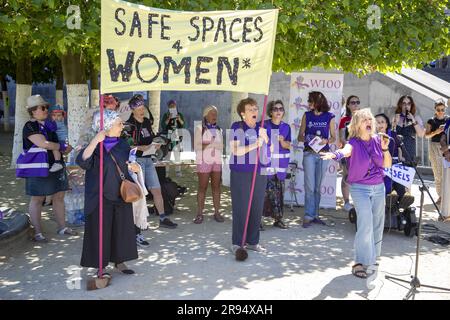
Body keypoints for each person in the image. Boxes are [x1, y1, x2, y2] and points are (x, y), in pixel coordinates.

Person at [321, 108, 392, 278]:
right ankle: (359, 261)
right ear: (357, 125)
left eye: (370, 119)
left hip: (378, 187)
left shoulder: (378, 140)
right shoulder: (353, 142)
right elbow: (345, 151)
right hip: (360, 188)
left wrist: (385, 149)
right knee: (365, 223)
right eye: (363, 119)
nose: (368, 121)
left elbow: (387, 165)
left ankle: (373, 258)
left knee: (377, 224)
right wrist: (335, 154)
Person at [76, 109, 139, 278]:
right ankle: (100, 266)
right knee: (100, 232)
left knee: (121, 229)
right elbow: (82, 161)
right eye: (119, 124)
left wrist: (134, 167)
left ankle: (120, 261)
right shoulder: (95, 146)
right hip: (99, 196)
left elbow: (130, 164)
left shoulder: (123, 144)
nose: (122, 127)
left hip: (120, 194)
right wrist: (96, 141)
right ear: (107, 126)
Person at [22, 95, 76, 242]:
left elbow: (55, 143)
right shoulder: (29, 126)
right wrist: (61, 147)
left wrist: (65, 148)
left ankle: (62, 227)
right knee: (37, 199)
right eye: (42, 107)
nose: (46, 110)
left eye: (46, 107)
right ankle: (38, 232)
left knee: (59, 196)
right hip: (37, 169)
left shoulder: (49, 125)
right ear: (33, 111)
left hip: (56, 166)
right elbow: (44, 143)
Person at [125, 94, 178, 242]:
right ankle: (137, 225)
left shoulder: (147, 121)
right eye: (139, 108)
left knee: (156, 189)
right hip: (137, 160)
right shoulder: (129, 125)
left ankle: (162, 217)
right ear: (133, 110)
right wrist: (145, 147)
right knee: (139, 193)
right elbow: (128, 145)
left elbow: (151, 137)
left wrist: (157, 142)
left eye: (143, 108)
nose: (142, 111)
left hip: (148, 159)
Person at [229, 98, 270, 254]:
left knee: (256, 207)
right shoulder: (237, 127)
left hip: (259, 172)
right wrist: (255, 144)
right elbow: (236, 151)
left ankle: (253, 241)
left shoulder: (263, 128)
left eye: (256, 108)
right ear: (242, 113)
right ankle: (237, 242)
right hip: (241, 173)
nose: (255, 111)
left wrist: (265, 139)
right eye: (250, 109)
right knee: (241, 207)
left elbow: (269, 151)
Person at [298, 91, 336, 228]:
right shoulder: (307, 115)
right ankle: (308, 215)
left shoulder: (330, 117)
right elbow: (299, 136)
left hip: (323, 154)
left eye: (310, 101)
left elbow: (334, 138)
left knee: (317, 187)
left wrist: (326, 140)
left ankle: (315, 215)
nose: (309, 104)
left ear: (318, 102)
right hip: (309, 153)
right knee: (309, 185)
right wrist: (307, 138)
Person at [262, 100, 291, 229]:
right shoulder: (264, 125)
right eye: (275, 109)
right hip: (266, 165)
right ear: (270, 112)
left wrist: (282, 141)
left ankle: (278, 219)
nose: (278, 111)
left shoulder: (286, 127)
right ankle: (258, 220)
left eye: (280, 109)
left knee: (279, 193)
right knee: (263, 193)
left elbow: (289, 145)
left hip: (280, 167)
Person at [193, 105, 224, 224]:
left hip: (216, 161)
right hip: (203, 161)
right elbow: (196, 146)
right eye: (212, 113)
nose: (214, 116)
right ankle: (199, 213)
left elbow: (221, 146)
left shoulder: (219, 129)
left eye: (215, 113)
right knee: (202, 187)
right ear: (206, 115)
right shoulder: (200, 128)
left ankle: (217, 212)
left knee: (217, 187)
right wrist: (210, 145)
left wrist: (212, 145)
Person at [338, 95, 360, 212]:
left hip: (361, 153)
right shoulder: (344, 120)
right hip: (347, 151)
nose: (355, 104)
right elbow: (342, 137)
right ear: (348, 105)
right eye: (352, 102)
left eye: (357, 102)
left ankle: (358, 201)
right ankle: (346, 202)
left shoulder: (363, 119)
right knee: (346, 176)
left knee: (360, 177)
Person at [425, 101, 449, 205]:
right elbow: (426, 135)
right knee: (438, 173)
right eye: (438, 110)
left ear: (445, 109)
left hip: (446, 148)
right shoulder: (431, 121)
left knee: (446, 173)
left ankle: (446, 195)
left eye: (442, 110)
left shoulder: (448, 120)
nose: (440, 112)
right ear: (435, 109)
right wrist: (436, 132)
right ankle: (441, 195)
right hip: (434, 147)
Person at [392, 95, 425, 164]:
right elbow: (391, 134)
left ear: (411, 105)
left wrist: (413, 120)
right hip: (396, 152)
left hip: (409, 153)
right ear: (400, 105)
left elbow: (421, 134)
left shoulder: (416, 118)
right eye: (404, 103)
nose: (406, 106)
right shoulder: (396, 117)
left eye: (409, 103)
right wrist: (395, 123)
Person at [161, 100, 186, 176]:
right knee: (167, 154)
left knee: (177, 154)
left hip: (177, 136)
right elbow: (163, 126)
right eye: (171, 106)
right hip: (168, 137)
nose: (172, 107)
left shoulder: (179, 114)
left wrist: (179, 119)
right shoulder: (166, 115)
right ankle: (166, 171)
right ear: (168, 107)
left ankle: (178, 171)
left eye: (174, 106)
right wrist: (168, 118)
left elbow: (183, 125)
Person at [45, 105, 68, 173]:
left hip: (62, 142)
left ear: (63, 116)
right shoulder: (59, 123)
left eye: (59, 115)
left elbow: (50, 127)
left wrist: (44, 123)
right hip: (62, 142)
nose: (56, 117)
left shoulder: (57, 123)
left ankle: (57, 162)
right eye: (54, 115)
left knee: (54, 147)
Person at [439, 116, 450, 222]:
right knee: (447, 186)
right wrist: (446, 152)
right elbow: (443, 138)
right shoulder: (448, 121)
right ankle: (446, 214)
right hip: (448, 158)